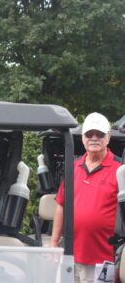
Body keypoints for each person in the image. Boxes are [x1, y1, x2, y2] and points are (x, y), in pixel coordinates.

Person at [51, 112, 121, 283]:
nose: (94, 138)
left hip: (103, 259)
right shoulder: (72, 168)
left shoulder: (120, 170)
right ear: (83, 138)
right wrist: (53, 244)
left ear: (108, 138)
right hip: (70, 255)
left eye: (99, 134)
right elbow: (61, 206)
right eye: (89, 134)